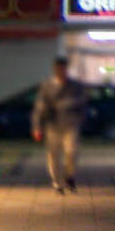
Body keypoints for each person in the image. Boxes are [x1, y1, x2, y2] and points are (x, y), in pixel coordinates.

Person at [32, 57, 89, 193]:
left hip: (71, 125)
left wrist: (80, 117)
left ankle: (70, 176)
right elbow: (39, 107)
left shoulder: (75, 86)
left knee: (72, 152)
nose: (60, 71)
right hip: (53, 126)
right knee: (53, 155)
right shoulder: (47, 86)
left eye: (63, 68)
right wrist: (37, 127)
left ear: (66, 69)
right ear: (54, 69)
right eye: (58, 69)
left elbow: (83, 103)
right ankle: (57, 183)